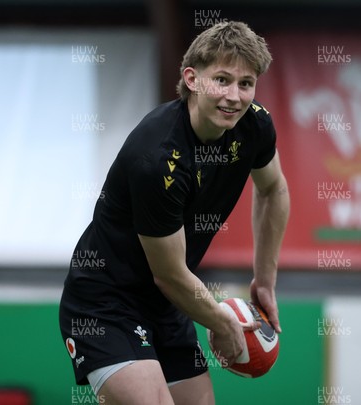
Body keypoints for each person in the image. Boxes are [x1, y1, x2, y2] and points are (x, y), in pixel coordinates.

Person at [59, 20, 289, 405]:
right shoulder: (157, 158)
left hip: (167, 304)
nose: (234, 96)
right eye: (222, 79)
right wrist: (220, 322)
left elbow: (273, 189)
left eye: (246, 84)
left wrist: (264, 279)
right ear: (192, 78)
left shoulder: (255, 125)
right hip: (104, 304)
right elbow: (168, 275)